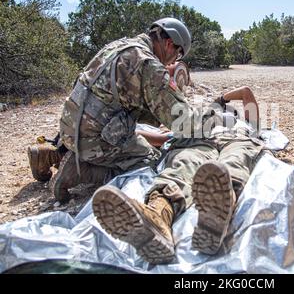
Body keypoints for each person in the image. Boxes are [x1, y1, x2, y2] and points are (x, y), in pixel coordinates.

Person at [27, 17, 197, 203]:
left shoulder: (119, 46)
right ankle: (81, 172)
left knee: (127, 134)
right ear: (170, 44)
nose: (174, 61)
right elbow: (184, 121)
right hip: (92, 140)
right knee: (151, 163)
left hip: (69, 129)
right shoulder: (148, 65)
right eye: (178, 55)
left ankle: (51, 154)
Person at [92, 86, 265, 264]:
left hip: (237, 141)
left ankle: (217, 216)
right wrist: (127, 134)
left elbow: (246, 92)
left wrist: (221, 99)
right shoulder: (199, 122)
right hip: (199, 142)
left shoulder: (247, 125)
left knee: (231, 163)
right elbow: (163, 139)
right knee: (183, 165)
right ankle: (157, 218)